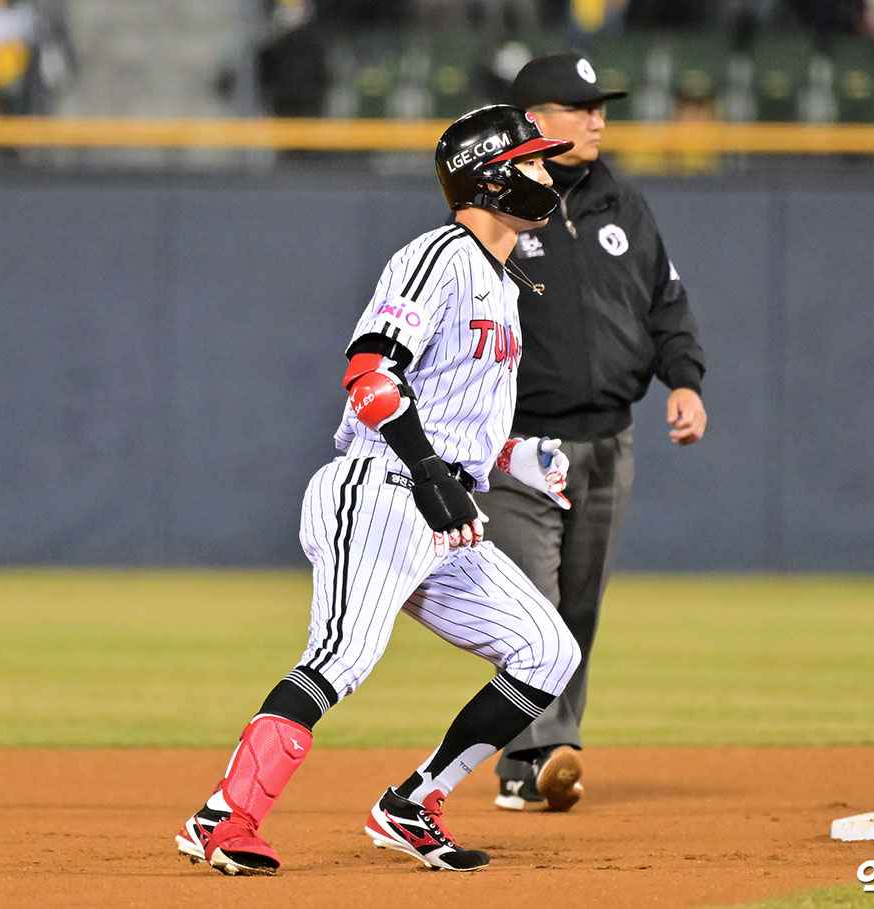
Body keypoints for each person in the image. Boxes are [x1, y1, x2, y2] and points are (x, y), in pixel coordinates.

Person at [174, 104, 583, 876]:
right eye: (530, 160)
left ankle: (412, 803)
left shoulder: (502, 283)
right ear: (489, 177)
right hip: (381, 485)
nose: (545, 171)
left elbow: (449, 415)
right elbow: (370, 374)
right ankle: (224, 815)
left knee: (547, 651)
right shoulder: (440, 257)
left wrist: (511, 457)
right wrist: (430, 472)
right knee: (342, 654)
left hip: (443, 508)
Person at [484, 53, 706, 813]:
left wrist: (685, 380)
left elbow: (667, 305)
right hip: (521, 445)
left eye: (600, 107)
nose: (596, 120)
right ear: (534, 122)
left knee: (577, 610)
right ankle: (539, 751)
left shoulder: (623, 204)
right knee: (534, 607)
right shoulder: (496, 206)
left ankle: (541, 753)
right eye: (579, 108)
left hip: (611, 440)